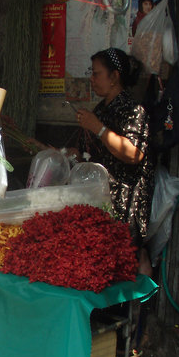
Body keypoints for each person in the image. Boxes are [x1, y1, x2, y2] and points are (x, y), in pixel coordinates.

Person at [74, 48, 155, 275]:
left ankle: (135, 307)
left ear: (115, 76)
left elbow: (134, 153)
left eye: (96, 74)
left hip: (127, 202)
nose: (91, 79)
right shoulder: (100, 110)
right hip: (101, 199)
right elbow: (84, 153)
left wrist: (98, 128)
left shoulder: (133, 110)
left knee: (126, 261)